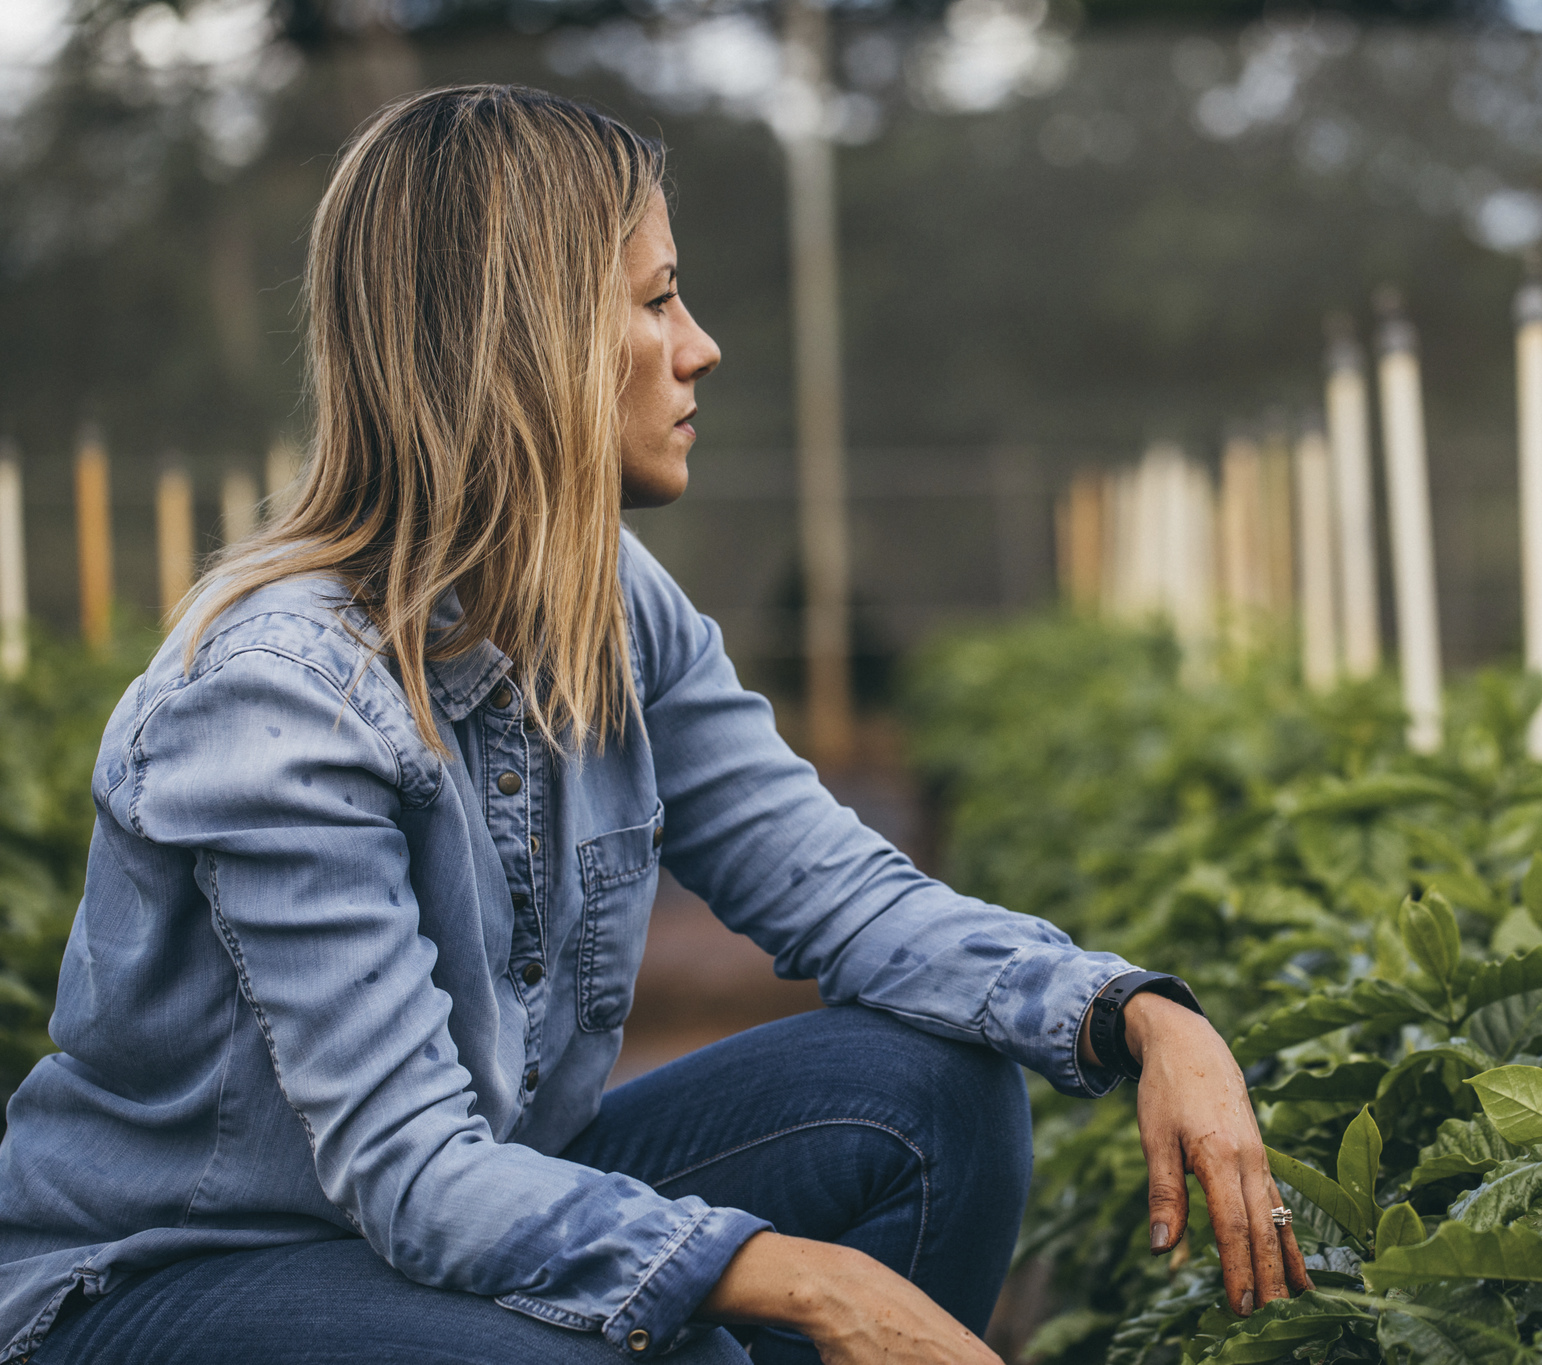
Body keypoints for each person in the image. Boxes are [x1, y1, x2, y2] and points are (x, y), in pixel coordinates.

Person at [0, 85, 1308, 1365]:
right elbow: (409, 1169)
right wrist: (801, 1276)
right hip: (175, 1274)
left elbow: (839, 892)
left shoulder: (615, 603)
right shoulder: (279, 694)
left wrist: (1139, 1014)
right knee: (640, 1336)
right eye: (658, 298)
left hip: (451, 1203)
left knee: (934, 1098)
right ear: (535, 336)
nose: (701, 346)